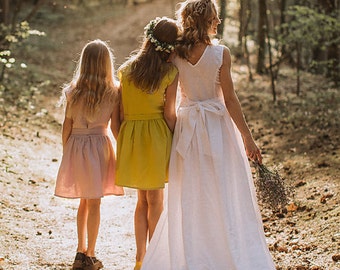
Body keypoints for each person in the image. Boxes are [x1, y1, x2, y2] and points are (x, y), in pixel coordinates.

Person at [141, 0, 276, 269]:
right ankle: (225, 253)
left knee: (191, 194)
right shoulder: (220, 54)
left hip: (187, 127)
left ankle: (195, 256)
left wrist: (172, 133)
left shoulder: (175, 55)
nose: (218, 22)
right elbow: (230, 99)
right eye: (215, 17)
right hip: (218, 127)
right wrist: (248, 138)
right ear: (205, 20)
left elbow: (169, 101)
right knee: (224, 190)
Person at [114, 17, 179, 270]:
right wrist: (179, 137)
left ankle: (140, 259)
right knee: (157, 201)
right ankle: (156, 260)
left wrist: (122, 139)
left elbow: (120, 111)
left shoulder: (126, 70)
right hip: (157, 136)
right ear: (170, 46)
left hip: (132, 135)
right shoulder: (170, 72)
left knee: (141, 201)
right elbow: (169, 114)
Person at [54, 39, 124, 270]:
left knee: (84, 202)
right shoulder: (113, 91)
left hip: (77, 145)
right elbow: (114, 127)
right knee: (94, 203)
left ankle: (79, 251)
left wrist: (68, 152)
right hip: (99, 148)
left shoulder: (72, 91)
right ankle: (91, 255)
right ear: (107, 64)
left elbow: (67, 124)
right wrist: (122, 149)